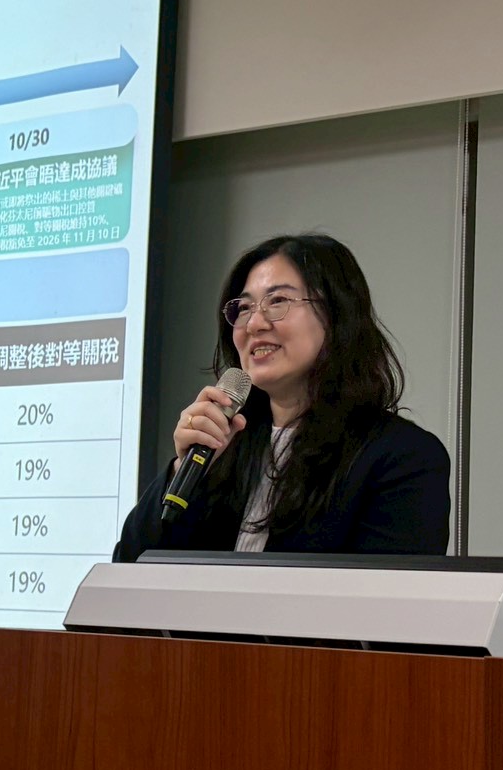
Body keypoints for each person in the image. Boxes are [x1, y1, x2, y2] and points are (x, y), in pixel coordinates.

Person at [114, 233, 450, 561]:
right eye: (244, 308)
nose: (254, 323)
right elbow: (129, 568)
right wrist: (180, 470)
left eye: (277, 301)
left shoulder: (403, 457)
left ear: (336, 315)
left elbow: (382, 594)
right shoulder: (226, 446)